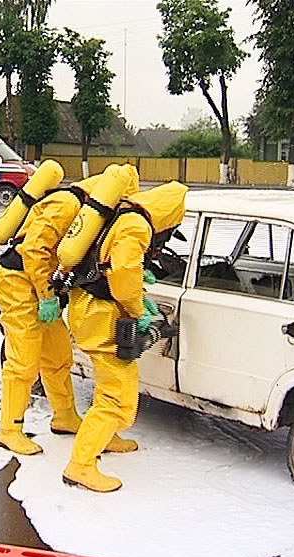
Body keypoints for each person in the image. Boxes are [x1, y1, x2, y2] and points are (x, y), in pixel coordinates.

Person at [62, 180, 186, 492]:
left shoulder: (120, 215)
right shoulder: (137, 226)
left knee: (109, 385)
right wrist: (136, 308)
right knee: (115, 395)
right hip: (102, 314)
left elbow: (109, 264)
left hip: (88, 308)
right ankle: (81, 465)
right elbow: (123, 272)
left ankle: (108, 437)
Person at [0, 183, 89, 455]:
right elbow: (34, 250)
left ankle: (65, 417)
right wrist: (47, 296)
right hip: (18, 282)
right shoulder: (67, 205)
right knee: (23, 360)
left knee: (58, 355)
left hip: (41, 283)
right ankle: (9, 430)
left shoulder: (87, 211)